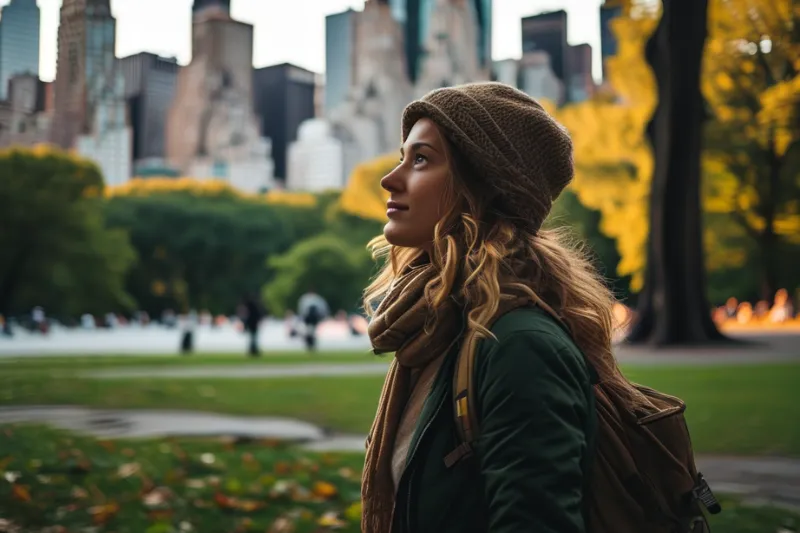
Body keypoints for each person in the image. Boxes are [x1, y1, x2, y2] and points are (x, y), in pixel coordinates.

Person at [360, 83, 652, 533]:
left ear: (483, 185)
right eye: (403, 156)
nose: (390, 178)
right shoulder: (441, 326)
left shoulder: (521, 347)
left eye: (421, 159)